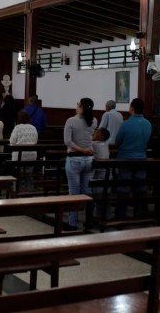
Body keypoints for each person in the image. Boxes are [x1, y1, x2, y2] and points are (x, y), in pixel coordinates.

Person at [114, 98, 152, 218]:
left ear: (132, 108)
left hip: (125, 158)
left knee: (123, 188)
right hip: (142, 158)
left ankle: (121, 215)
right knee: (141, 187)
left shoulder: (126, 124)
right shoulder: (148, 124)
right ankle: (141, 213)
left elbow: (117, 141)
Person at [63, 97, 97, 229]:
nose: (76, 105)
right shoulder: (93, 120)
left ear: (81, 106)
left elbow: (68, 142)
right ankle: (89, 220)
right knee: (87, 191)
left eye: (78, 104)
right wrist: (85, 149)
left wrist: (81, 149)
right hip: (89, 159)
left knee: (74, 192)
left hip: (74, 159)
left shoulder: (71, 121)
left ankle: (72, 223)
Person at [10, 110, 39, 192]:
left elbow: (12, 142)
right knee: (28, 175)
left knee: (18, 174)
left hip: (19, 156)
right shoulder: (33, 127)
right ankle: (28, 192)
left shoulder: (17, 127)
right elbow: (35, 140)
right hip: (32, 155)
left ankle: (17, 191)